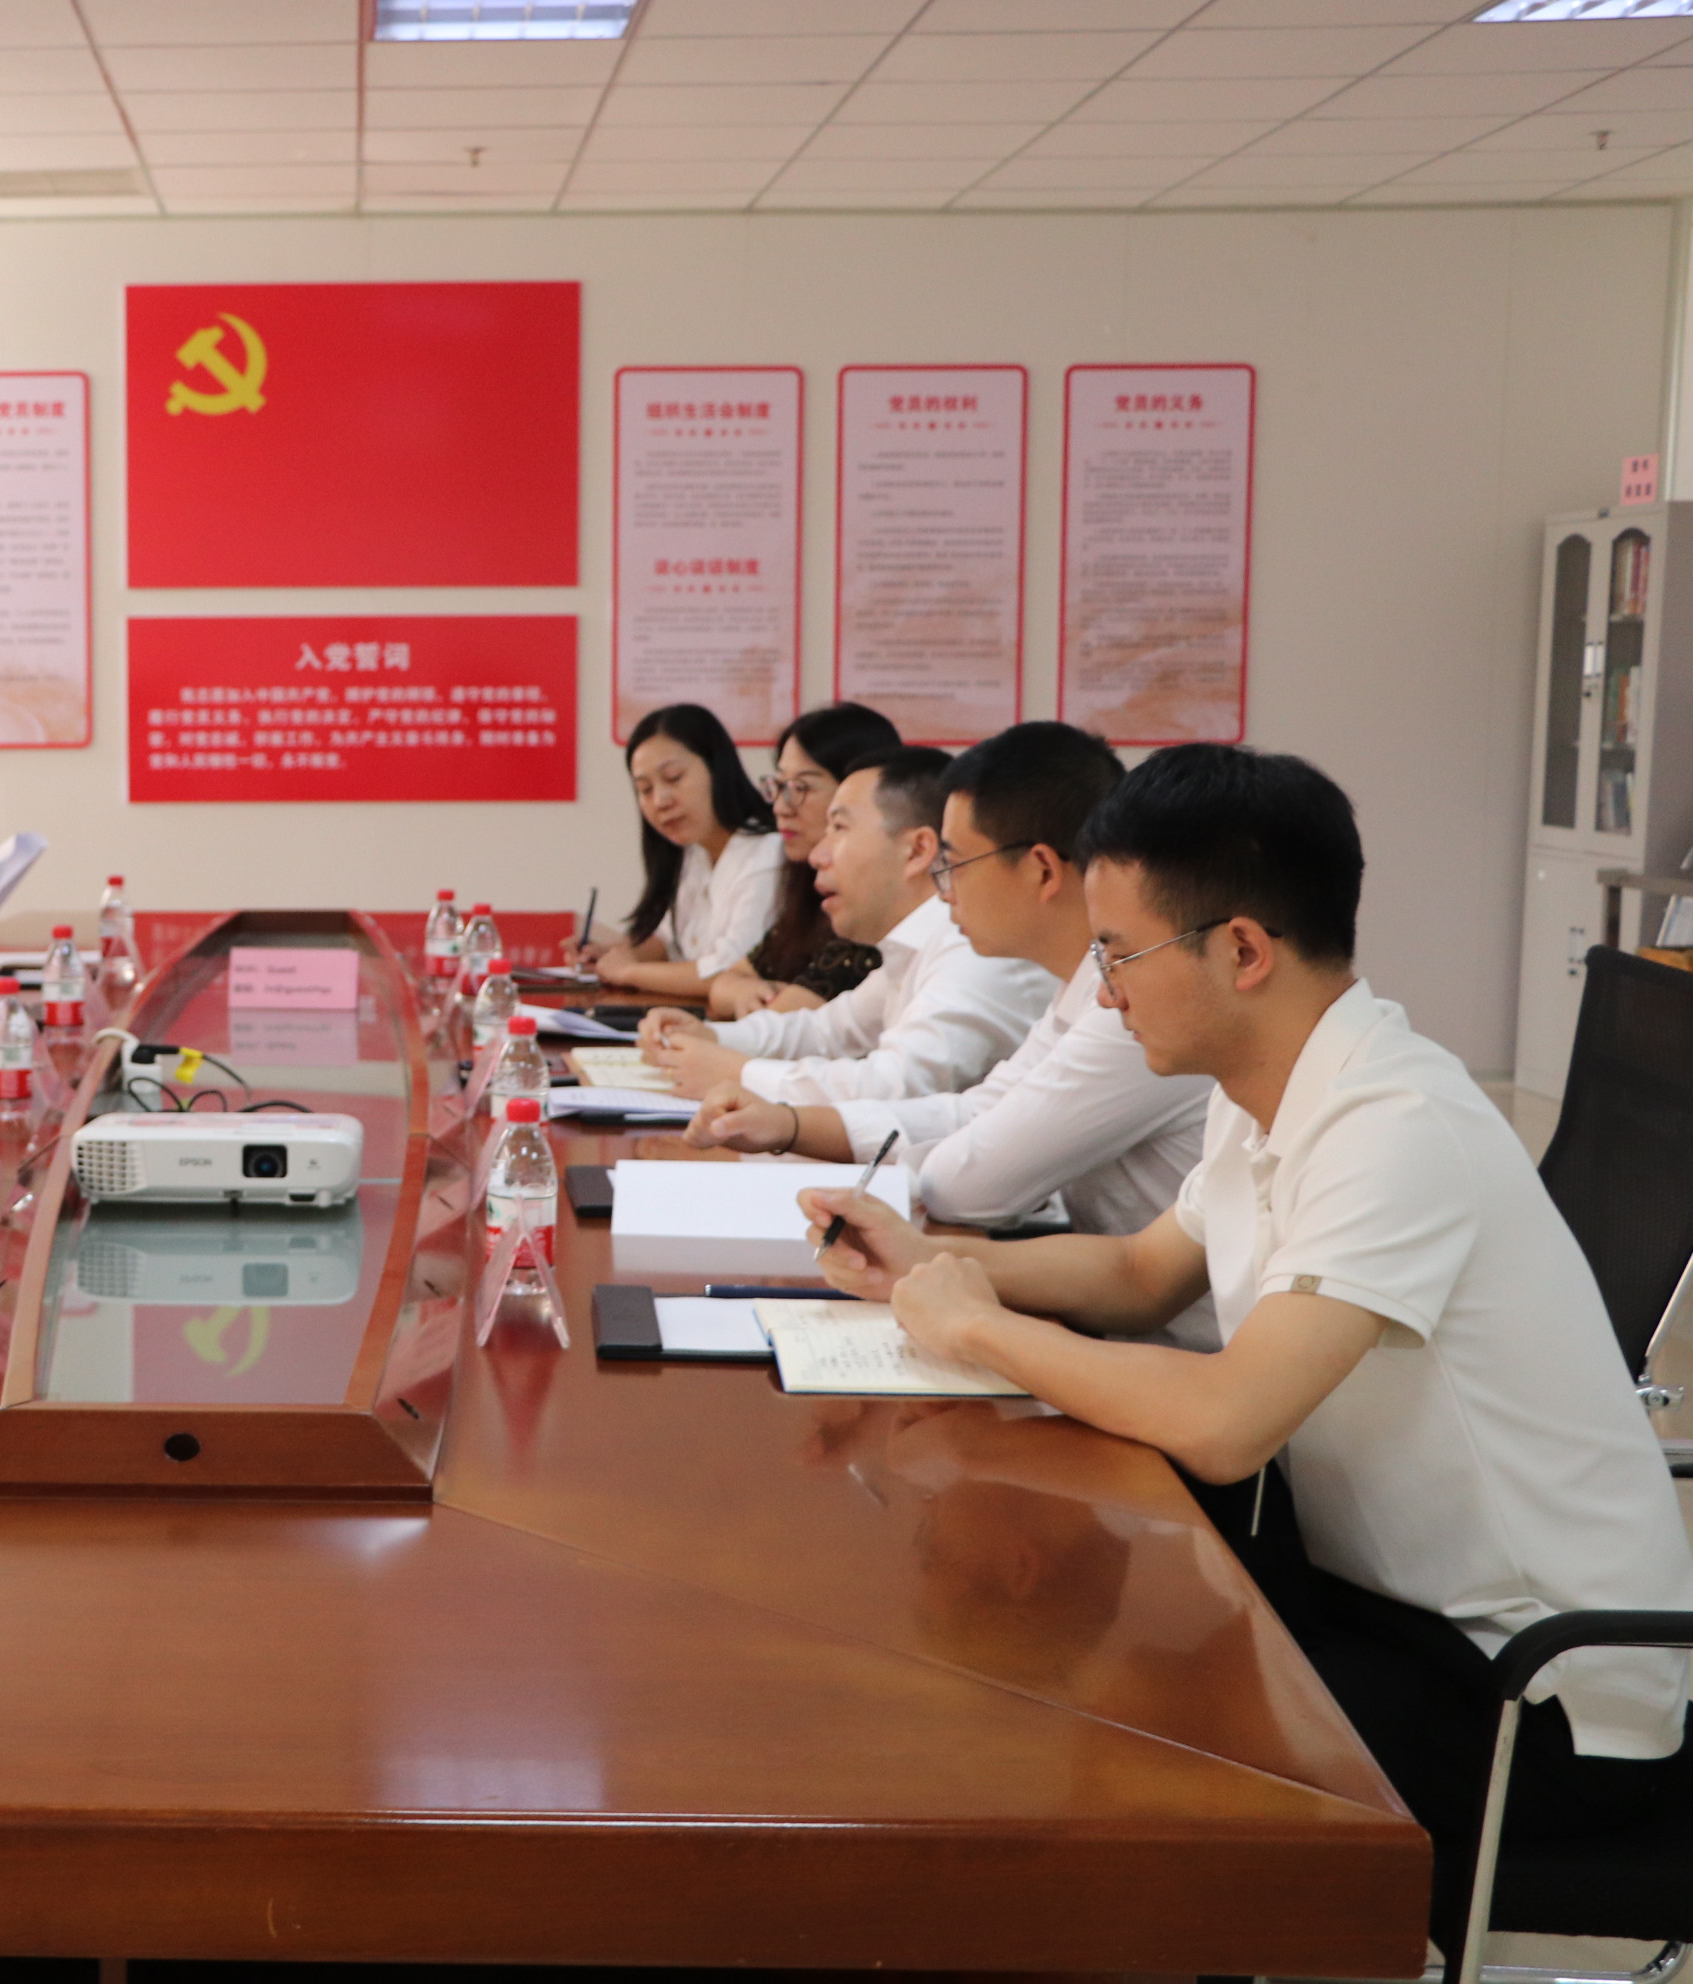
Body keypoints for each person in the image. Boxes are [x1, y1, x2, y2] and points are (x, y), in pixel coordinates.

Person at [799, 743, 1693, 1961]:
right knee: (1057, 1693)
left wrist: (980, 1326)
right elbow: (1138, 1273)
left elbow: (1229, 1419)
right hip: (1385, 1604)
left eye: (1120, 954)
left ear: (1243, 951)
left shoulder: (1396, 1125)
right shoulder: (1263, 1085)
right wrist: (928, 1261)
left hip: (1536, 1690)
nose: (1104, 991)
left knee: (1104, 1757)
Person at [689, 724, 1211, 1322]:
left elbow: (971, 1184)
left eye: (955, 864)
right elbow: (977, 1112)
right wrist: (790, 1125)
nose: (943, 891)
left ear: (1041, 870)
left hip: (1158, 1344)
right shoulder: (1082, 982)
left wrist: (802, 1130)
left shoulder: (1128, 1006)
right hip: (1105, 1318)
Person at [644, 745, 1053, 1103]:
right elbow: (826, 1031)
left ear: (917, 850)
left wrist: (738, 1072)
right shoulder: (915, 943)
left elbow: (898, 1083)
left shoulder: (972, 947)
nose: (818, 855)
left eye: (839, 828)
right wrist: (712, 1037)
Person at [569, 703, 786, 997]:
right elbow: (666, 941)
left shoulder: (768, 855)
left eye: (674, 778)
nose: (660, 800)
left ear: (717, 768)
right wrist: (612, 956)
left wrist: (629, 972)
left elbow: (732, 971)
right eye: (645, 789)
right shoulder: (694, 851)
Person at [702, 702, 900, 1019]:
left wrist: (764, 1003)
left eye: (801, 787)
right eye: (780, 785)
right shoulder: (805, 892)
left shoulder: (873, 905)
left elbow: (785, 1019)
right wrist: (745, 992)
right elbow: (724, 983)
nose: (781, 807)